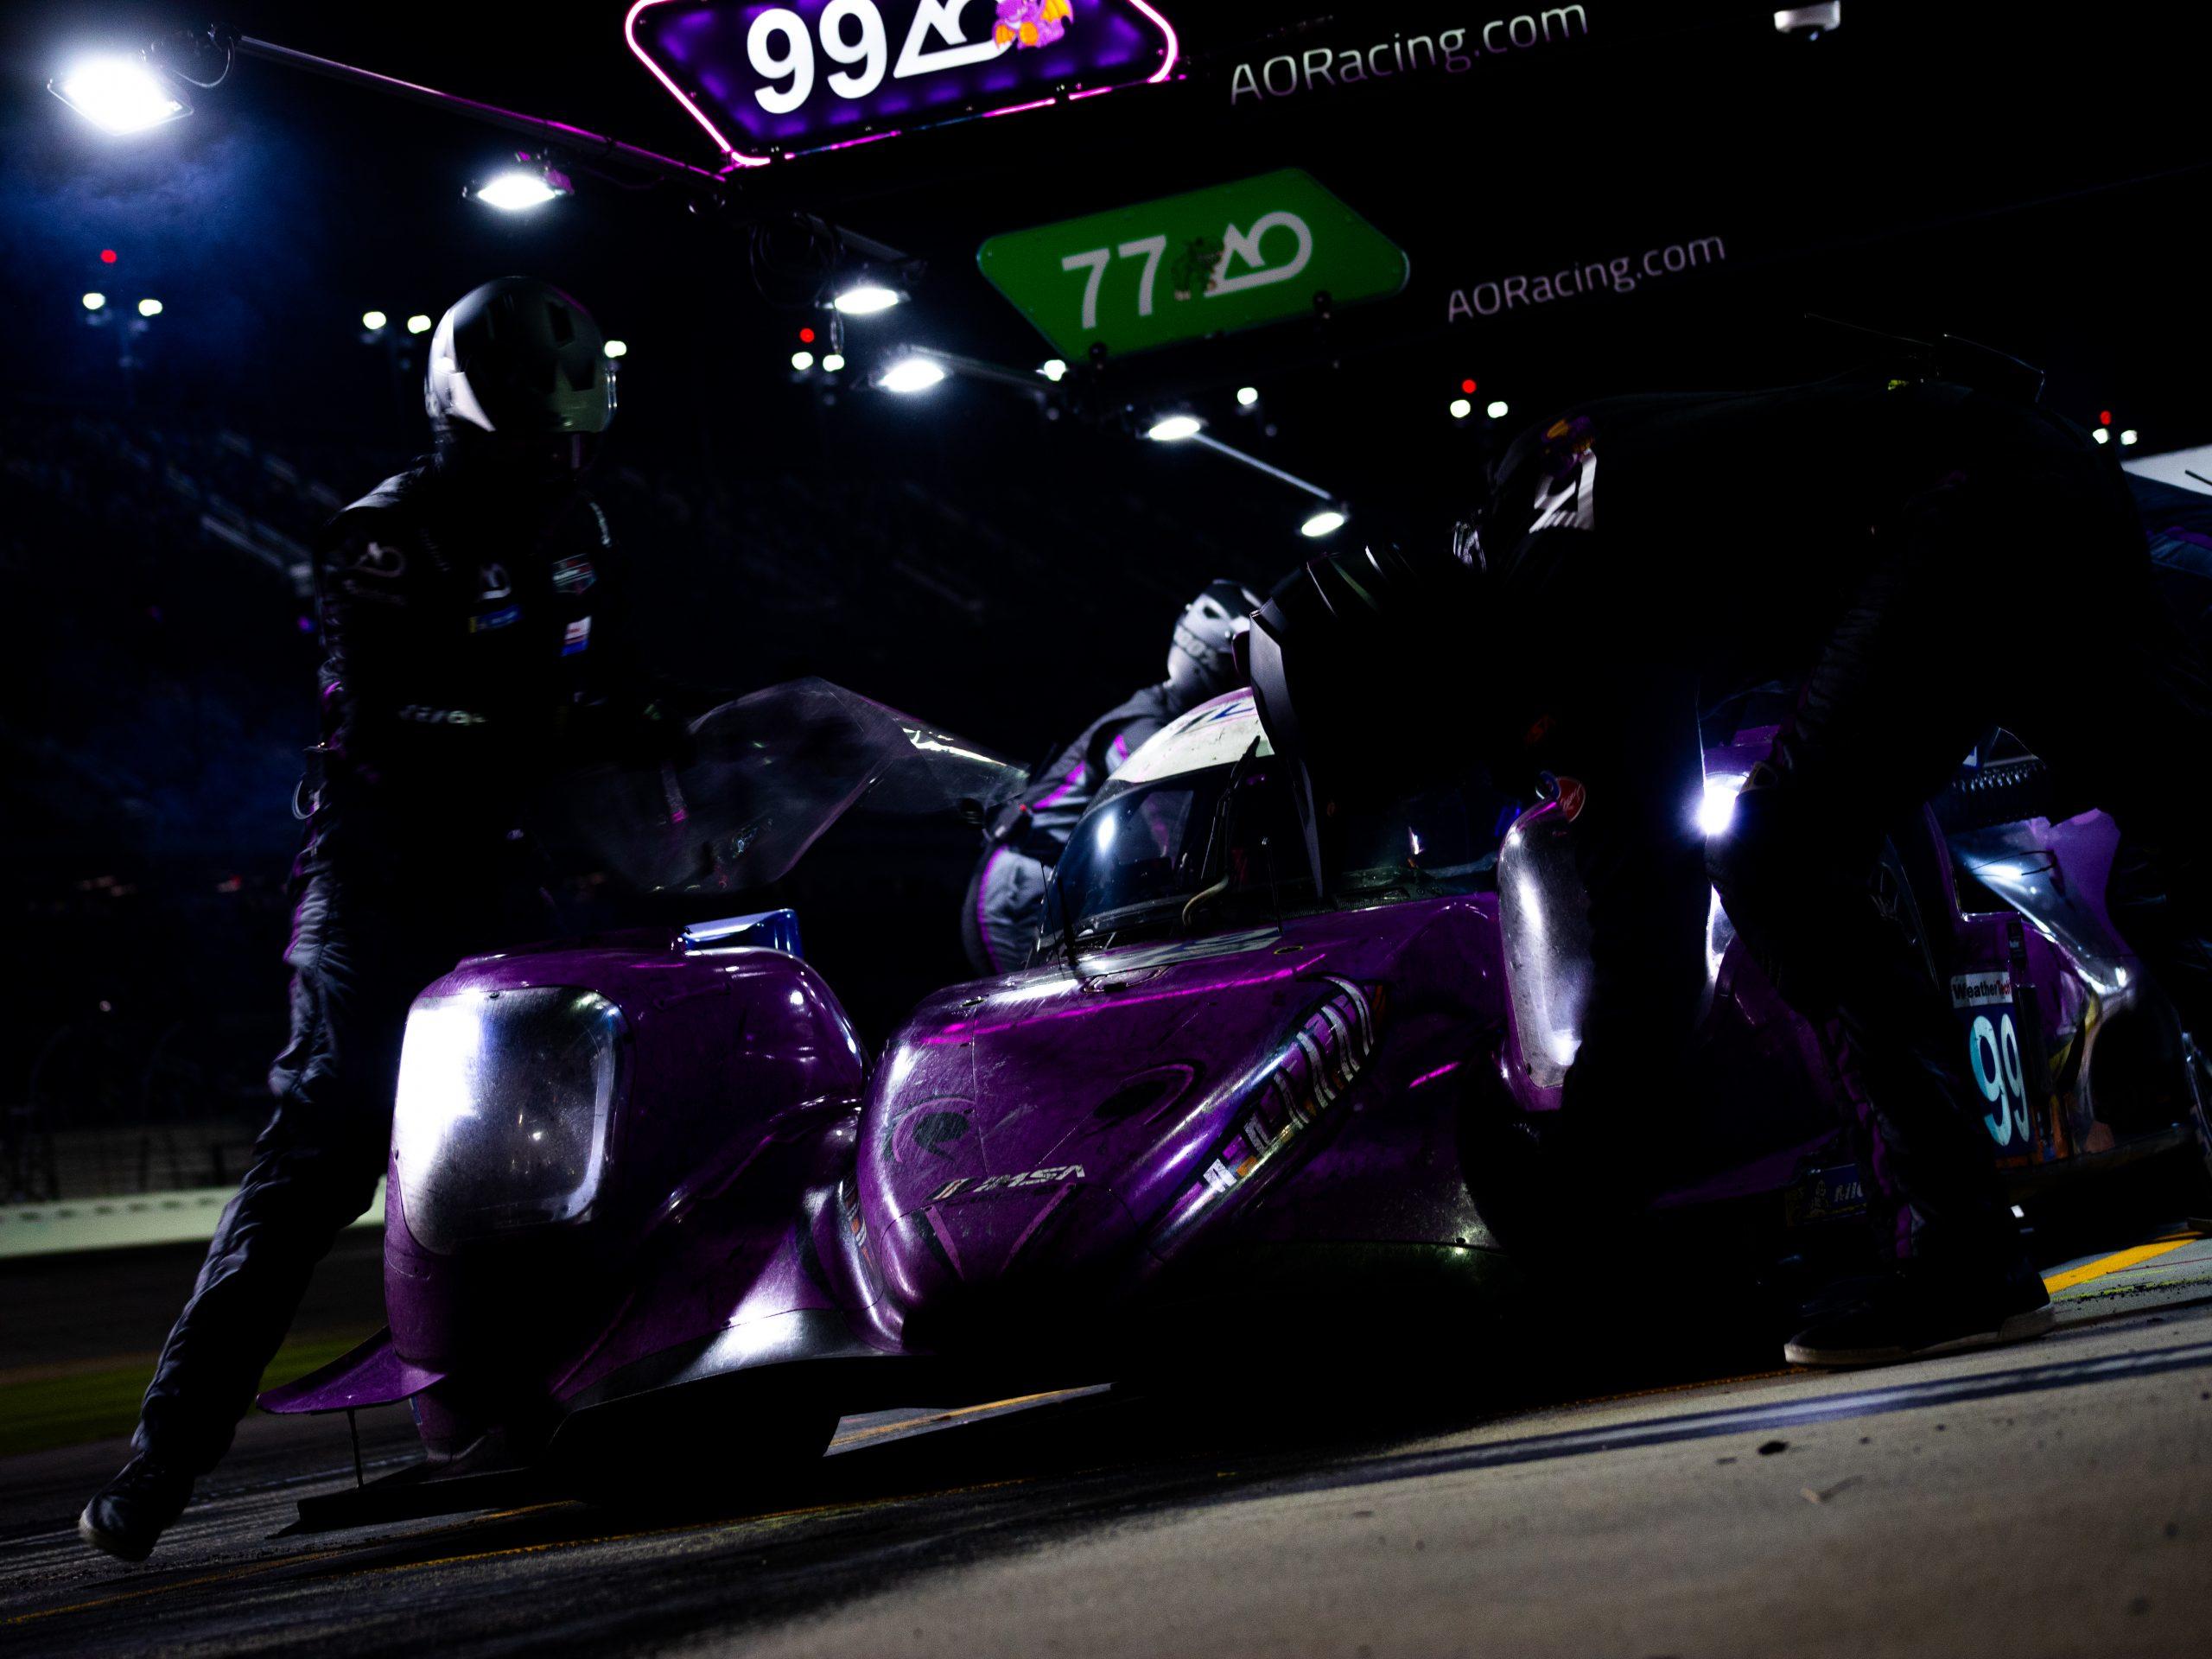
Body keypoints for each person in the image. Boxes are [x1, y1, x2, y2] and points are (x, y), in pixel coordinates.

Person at [1248, 351, 2212, 1369]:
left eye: (1409, 758)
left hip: (1972, 508)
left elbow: (1649, 941)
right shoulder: (1531, 497)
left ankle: (1961, 1255)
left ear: (1407, 687)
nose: (1447, 776)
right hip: (2019, 478)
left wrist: (1567, 1192)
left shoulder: (1559, 602)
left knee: (1780, 854)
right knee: (2191, 829)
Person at [80, 276, 661, 1561]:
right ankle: (165, 1459)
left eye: (576, 428)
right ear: (470, 409)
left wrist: (663, 740)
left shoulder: (587, 528)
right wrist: (557, 733)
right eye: (538, 426)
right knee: (325, 1149)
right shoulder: (382, 537)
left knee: (572, 1121)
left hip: (508, 872)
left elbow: (613, 691)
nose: (563, 452)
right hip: (380, 881)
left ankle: (565, 1393)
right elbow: (394, 728)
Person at [962, 579, 1261, 975]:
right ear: (1205, 659)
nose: (1238, 683)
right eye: (1230, 671)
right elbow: (1164, 832)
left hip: (1043, 884)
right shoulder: (1144, 727)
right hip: (1022, 886)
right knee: (1047, 1013)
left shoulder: (1163, 720)